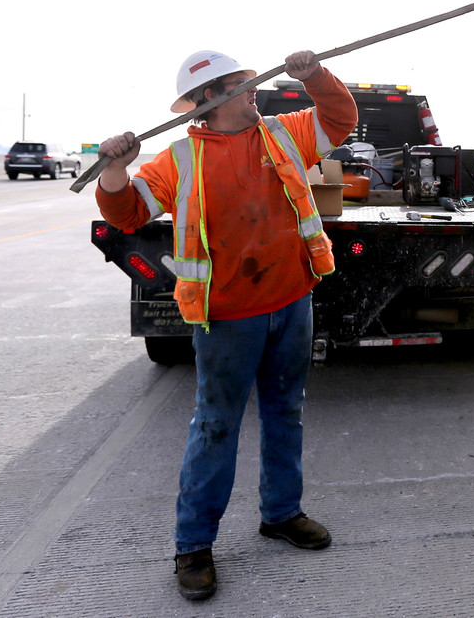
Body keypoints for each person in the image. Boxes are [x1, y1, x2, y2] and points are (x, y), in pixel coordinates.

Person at [95, 49, 357, 601]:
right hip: (226, 317)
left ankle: (281, 513)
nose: (254, 89)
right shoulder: (178, 158)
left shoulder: (285, 133)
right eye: (242, 84)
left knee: (286, 411)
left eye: (250, 80)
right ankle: (193, 545)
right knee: (216, 427)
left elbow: (340, 119)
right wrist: (114, 168)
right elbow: (126, 214)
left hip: (292, 301)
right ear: (207, 101)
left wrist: (314, 76)